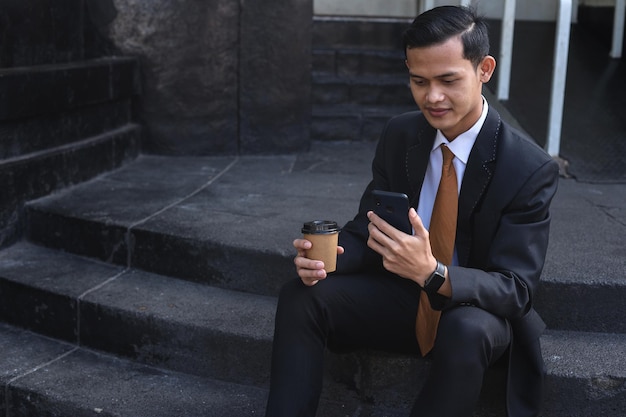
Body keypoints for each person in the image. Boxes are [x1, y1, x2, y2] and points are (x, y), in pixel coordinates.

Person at [265, 5, 559, 417]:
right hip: (405, 297)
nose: (432, 97)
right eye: (419, 81)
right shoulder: (401, 134)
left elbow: (515, 290)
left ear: (484, 69)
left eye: (448, 80)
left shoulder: (529, 168)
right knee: (301, 295)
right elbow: (369, 227)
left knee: (466, 327)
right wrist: (327, 259)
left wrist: (434, 274)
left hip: (473, 312)